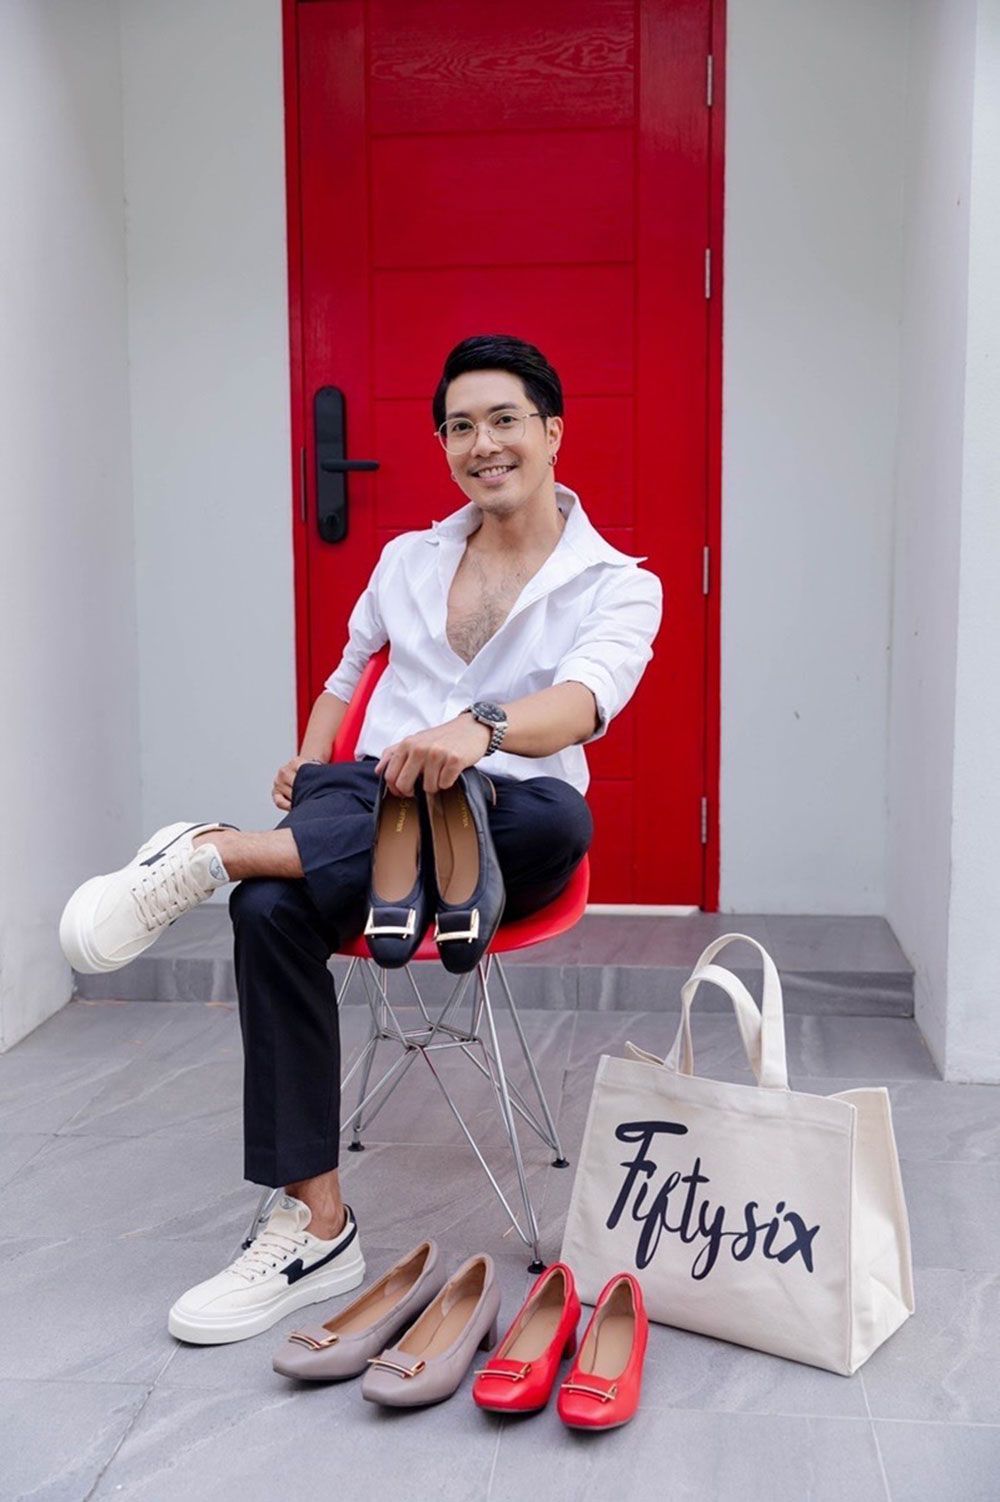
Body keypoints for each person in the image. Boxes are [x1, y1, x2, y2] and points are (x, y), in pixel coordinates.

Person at [58, 333, 663, 1344]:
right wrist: (308, 768)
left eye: (504, 419)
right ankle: (314, 1227)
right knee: (271, 906)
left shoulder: (617, 582)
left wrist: (479, 730)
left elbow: (584, 702)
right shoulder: (405, 560)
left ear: (552, 430)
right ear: (444, 445)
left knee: (559, 813)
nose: (483, 443)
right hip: (369, 807)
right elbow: (346, 680)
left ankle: (218, 850)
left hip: (502, 828)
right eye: (460, 426)